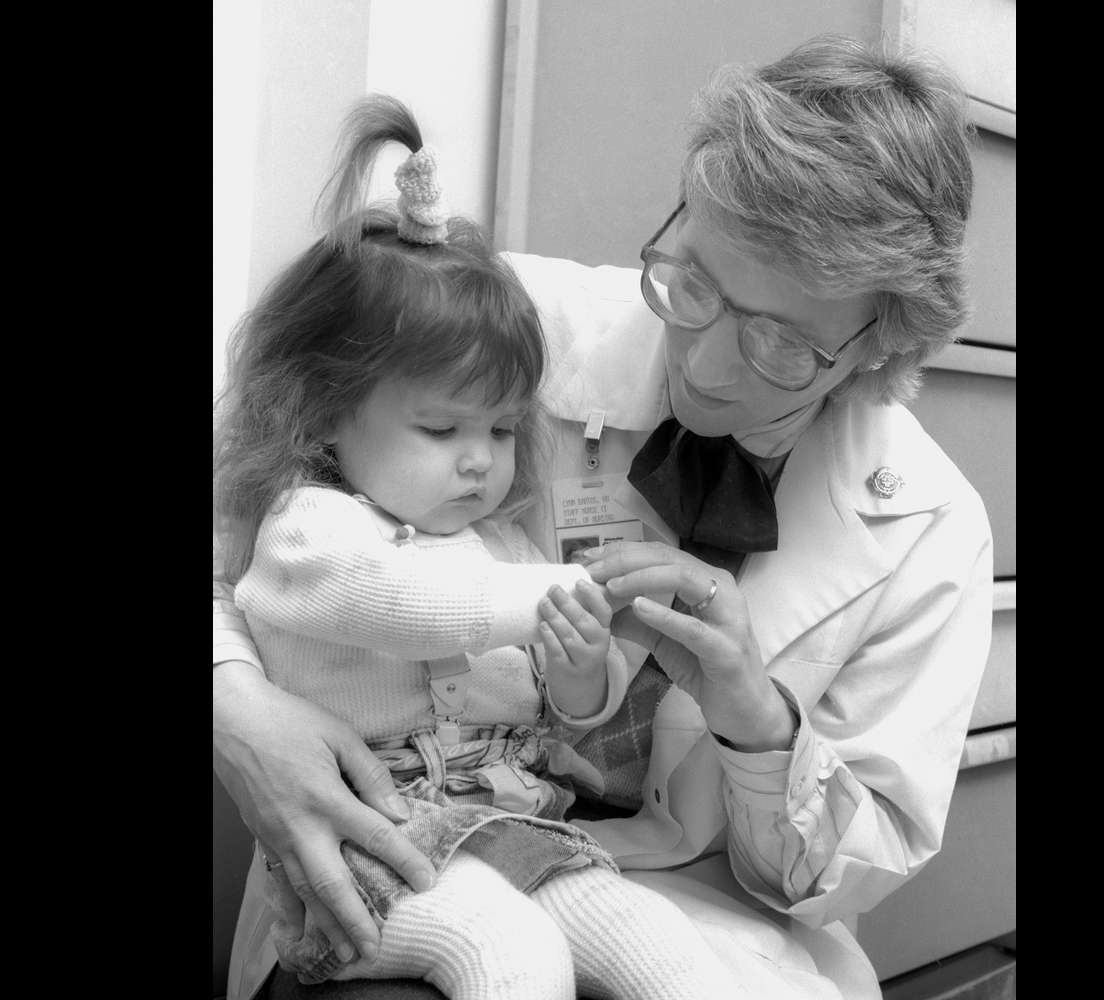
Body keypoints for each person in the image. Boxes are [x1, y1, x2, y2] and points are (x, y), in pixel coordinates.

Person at [214, 35, 994, 1000]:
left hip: (706, 914)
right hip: (398, 853)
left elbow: (846, 875)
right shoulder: (491, 323)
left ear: (878, 348)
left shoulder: (930, 531)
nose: (704, 367)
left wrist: (758, 723)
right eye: (695, 284)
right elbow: (249, 507)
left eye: (784, 347)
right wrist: (234, 706)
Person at [214, 96, 746, 1000]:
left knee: (663, 946)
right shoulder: (310, 527)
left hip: (513, 830)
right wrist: (557, 596)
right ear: (324, 410)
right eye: (440, 426)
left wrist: (580, 673)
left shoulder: (497, 539)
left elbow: (559, 713)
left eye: (501, 429)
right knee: (509, 954)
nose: (480, 460)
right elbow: (398, 605)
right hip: (370, 846)